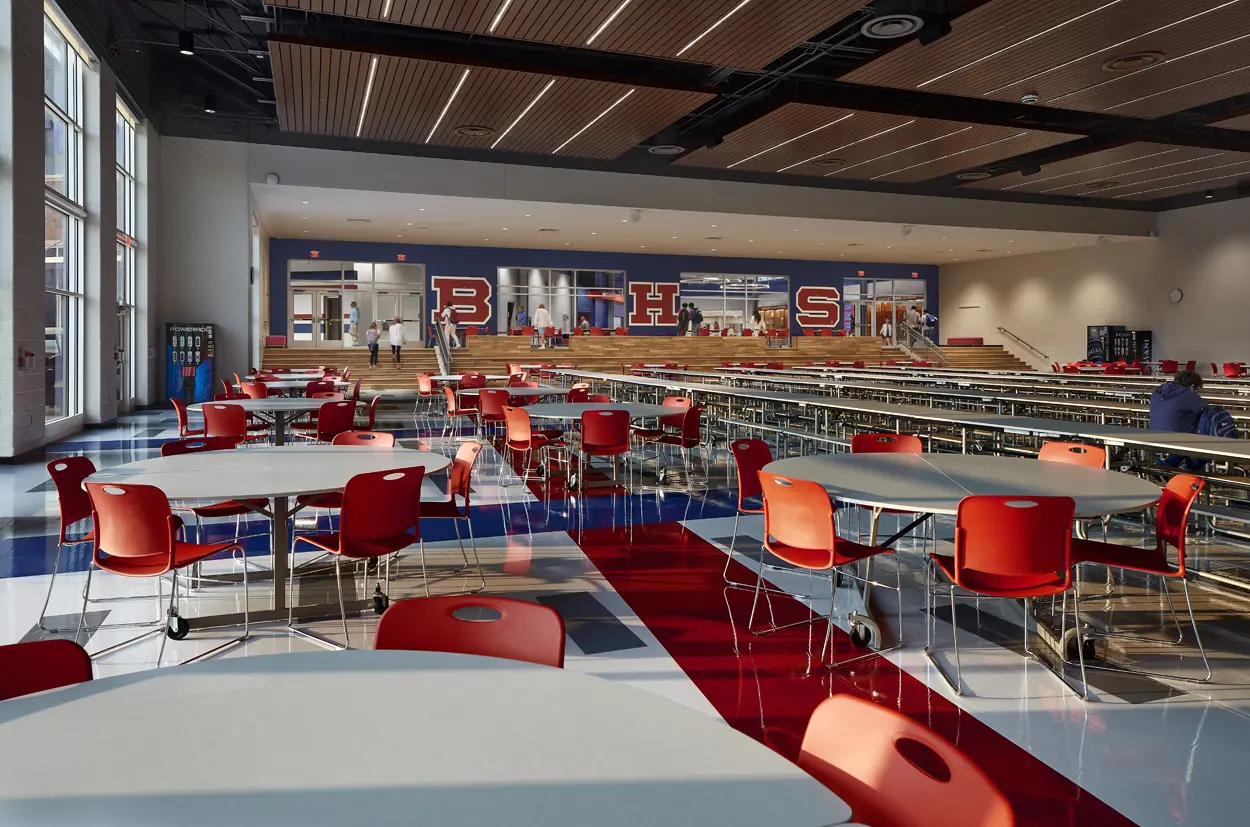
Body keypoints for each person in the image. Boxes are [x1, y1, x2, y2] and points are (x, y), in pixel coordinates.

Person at [1150, 370, 1207, 470]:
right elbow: (1205, 410)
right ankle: (1189, 469)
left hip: (1153, 434)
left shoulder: (1157, 391)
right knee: (1205, 437)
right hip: (1176, 438)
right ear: (1193, 385)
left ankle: (1167, 464)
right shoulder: (1188, 394)